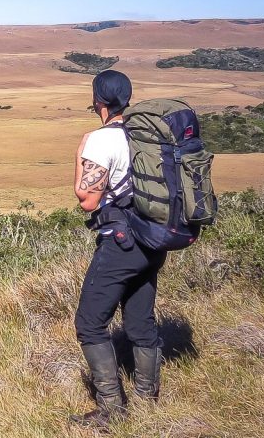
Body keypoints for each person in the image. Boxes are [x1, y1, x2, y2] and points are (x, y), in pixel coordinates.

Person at [70, 69, 167, 428]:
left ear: (98, 100)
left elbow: (87, 199)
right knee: (140, 320)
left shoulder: (100, 140)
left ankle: (111, 409)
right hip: (153, 239)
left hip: (121, 243)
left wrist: (80, 153)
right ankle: (147, 398)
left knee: (89, 324)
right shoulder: (145, 134)